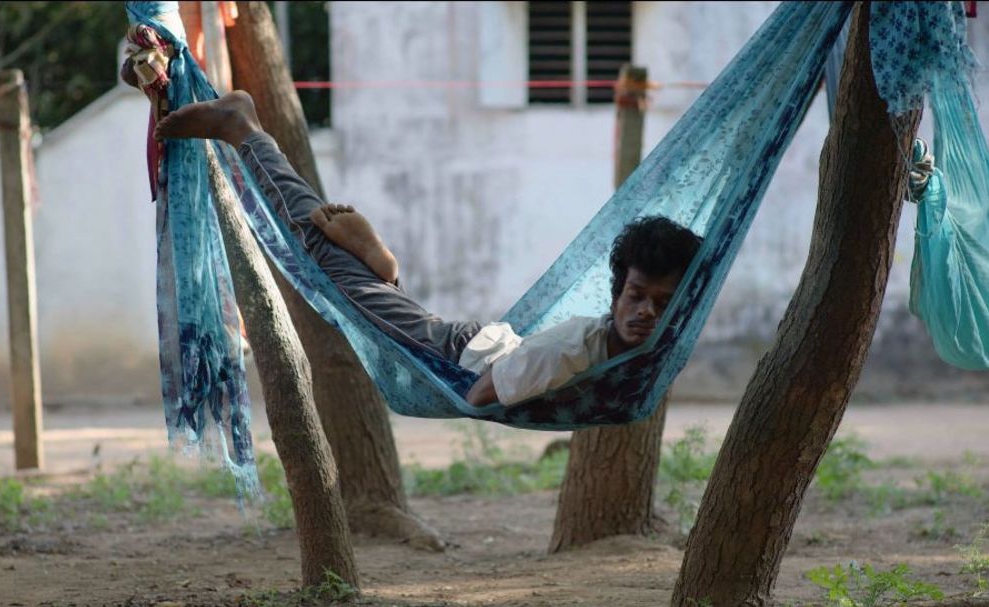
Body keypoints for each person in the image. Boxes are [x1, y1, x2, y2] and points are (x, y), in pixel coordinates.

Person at [153, 91, 702, 407]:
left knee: (358, 281)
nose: (646, 311)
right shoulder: (570, 351)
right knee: (312, 241)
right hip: (449, 357)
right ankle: (243, 127)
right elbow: (480, 396)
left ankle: (383, 273)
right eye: (636, 294)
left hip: (459, 341)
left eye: (660, 301)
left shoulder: (618, 349)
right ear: (616, 293)